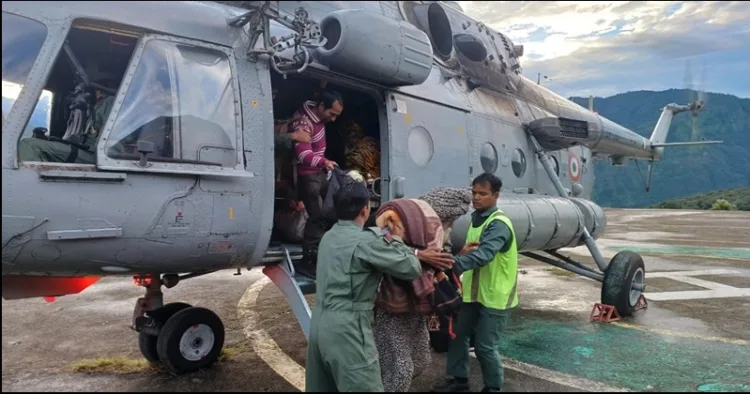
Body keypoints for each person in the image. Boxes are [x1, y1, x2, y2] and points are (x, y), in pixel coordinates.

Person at [305, 179, 452, 392]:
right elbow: (410, 267)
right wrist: (389, 234)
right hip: (349, 329)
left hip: (319, 324)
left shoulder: (329, 237)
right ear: (366, 209)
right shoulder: (369, 241)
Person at [374, 187, 472, 392]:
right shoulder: (392, 223)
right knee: (401, 369)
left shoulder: (436, 236)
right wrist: (418, 253)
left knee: (421, 361)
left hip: (417, 307)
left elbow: (441, 266)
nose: (450, 228)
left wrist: (453, 258)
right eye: (450, 221)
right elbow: (382, 243)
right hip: (392, 307)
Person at [433, 173, 519, 393]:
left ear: (496, 195)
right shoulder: (477, 219)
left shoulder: (498, 224)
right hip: (472, 293)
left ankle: (493, 387)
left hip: (495, 296)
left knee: (484, 345)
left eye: (483, 194)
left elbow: (484, 255)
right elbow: (472, 251)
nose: (476, 198)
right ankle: (459, 380)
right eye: (474, 193)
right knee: (457, 335)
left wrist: (452, 264)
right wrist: (458, 256)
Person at [291, 91, 343, 278]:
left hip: (318, 174)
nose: (334, 119)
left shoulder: (318, 120)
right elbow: (303, 155)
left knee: (329, 212)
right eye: (332, 114)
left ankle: (322, 256)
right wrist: (324, 162)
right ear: (321, 106)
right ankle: (308, 262)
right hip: (308, 176)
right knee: (316, 218)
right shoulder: (304, 123)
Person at [18, 82, 114, 164]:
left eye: (82, 91)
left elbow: (104, 142)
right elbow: (86, 138)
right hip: (89, 152)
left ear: (98, 91)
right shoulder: (96, 108)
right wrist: (53, 139)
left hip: (96, 157)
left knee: (29, 145)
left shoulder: (110, 102)